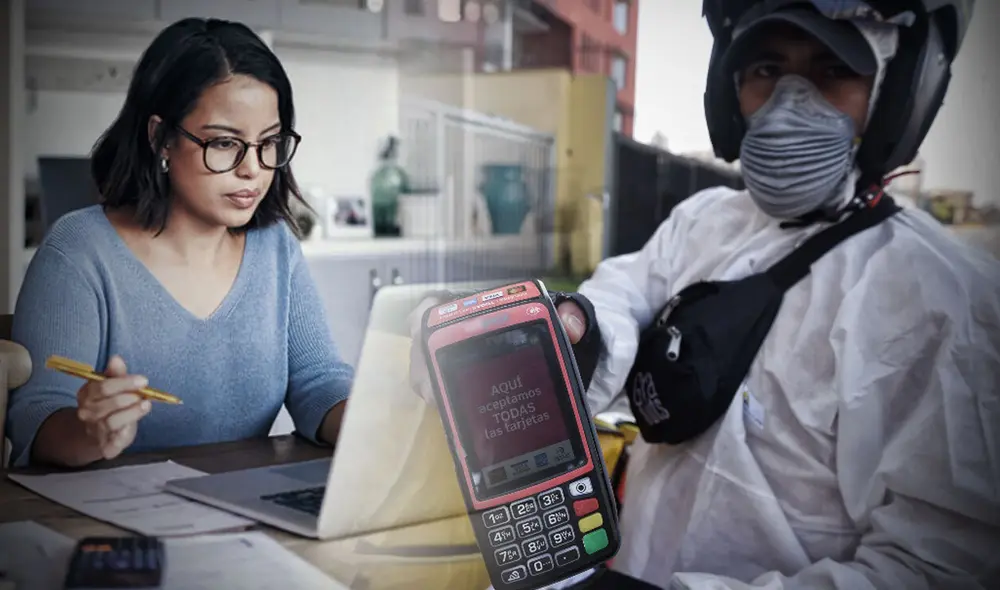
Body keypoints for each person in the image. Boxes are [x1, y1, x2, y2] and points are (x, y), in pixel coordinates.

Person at [410, 1, 1000, 588]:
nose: (790, 104)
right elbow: (624, 295)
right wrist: (571, 331)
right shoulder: (704, 220)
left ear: (896, 97)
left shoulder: (944, 299)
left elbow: (936, 566)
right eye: (766, 70)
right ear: (730, 91)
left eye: (832, 71)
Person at [6, 18, 353, 469]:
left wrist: (379, 424)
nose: (253, 169)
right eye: (225, 143)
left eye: (269, 143)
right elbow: (36, 418)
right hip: (108, 522)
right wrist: (90, 432)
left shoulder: (276, 249)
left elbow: (318, 383)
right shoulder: (79, 250)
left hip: (241, 513)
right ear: (161, 138)